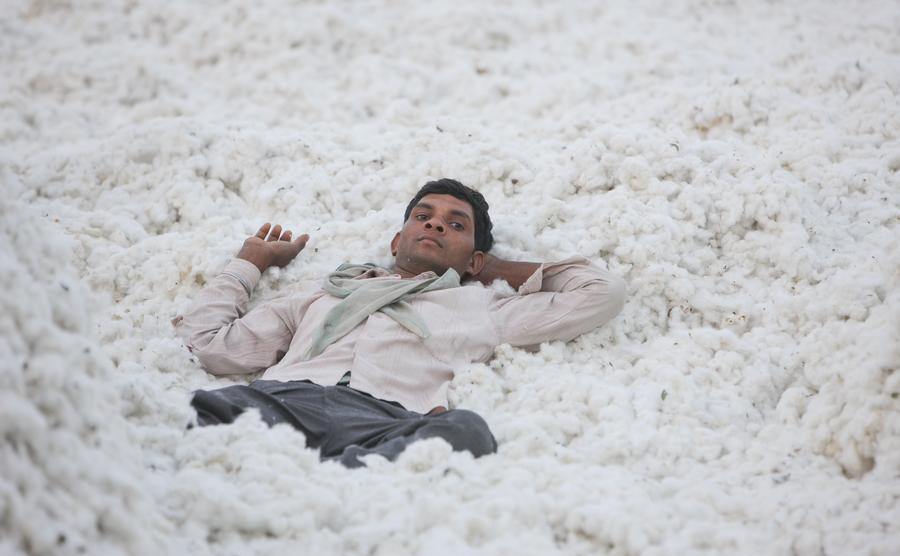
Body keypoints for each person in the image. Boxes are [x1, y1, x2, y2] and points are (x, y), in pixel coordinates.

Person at [174, 178, 625, 468]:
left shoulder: (482, 307)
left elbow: (600, 293)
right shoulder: (327, 291)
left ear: (475, 255)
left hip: (385, 424)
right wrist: (248, 263)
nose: (436, 226)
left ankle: (340, 492)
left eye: (455, 224)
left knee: (465, 431)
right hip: (282, 402)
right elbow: (210, 345)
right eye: (423, 217)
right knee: (188, 415)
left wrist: (487, 269)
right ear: (397, 240)